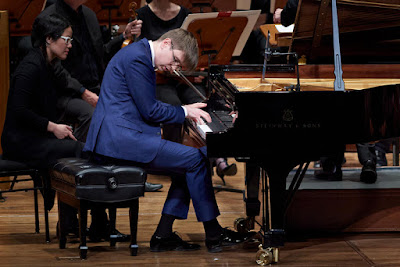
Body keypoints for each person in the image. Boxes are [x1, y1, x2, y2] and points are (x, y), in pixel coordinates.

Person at [83, 28, 254, 252]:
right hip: (119, 141)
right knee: (195, 159)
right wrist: (185, 112)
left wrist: (185, 110)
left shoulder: (139, 53)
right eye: (175, 60)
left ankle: (165, 234)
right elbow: (150, 111)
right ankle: (213, 233)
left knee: (192, 161)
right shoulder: (138, 59)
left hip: (122, 135)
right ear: (166, 43)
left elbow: (146, 107)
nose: (173, 69)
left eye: (178, 66)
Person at [37, 0, 162, 193]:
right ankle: (74, 173)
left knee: (133, 110)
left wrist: (124, 36)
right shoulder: (48, 17)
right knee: (92, 115)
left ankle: (130, 175)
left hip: (94, 86)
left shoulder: (88, 15)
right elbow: (52, 68)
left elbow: (100, 53)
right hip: (62, 93)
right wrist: (83, 92)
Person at [136, 0, 237, 179]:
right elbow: (142, 51)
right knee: (173, 104)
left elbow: (191, 52)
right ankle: (171, 159)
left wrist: (195, 70)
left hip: (184, 78)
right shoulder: (143, 14)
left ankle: (217, 157)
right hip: (159, 80)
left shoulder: (185, 14)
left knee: (202, 104)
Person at [1, 14, 84, 228]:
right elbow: (20, 111)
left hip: (34, 136)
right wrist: (52, 127)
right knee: (75, 150)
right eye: (66, 39)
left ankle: (69, 222)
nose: (70, 45)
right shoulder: (30, 67)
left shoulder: (47, 64)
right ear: (49, 39)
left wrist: (58, 126)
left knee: (74, 147)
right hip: (20, 141)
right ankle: (71, 222)